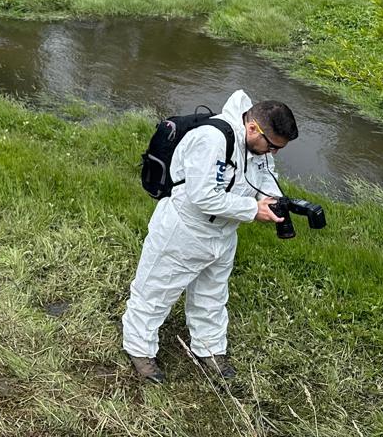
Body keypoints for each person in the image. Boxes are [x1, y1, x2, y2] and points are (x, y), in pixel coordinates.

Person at [121, 90, 297, 383]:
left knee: (213, 296)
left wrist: (272, 198)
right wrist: (253, 209)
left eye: (278, 149)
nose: (273, 153)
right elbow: (203, 196)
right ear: (253, 128)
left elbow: (265, 174)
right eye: (272, 146)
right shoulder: (212, 139)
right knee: (155, 291)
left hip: (224, 233)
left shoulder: (258, 147)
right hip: (184, 229)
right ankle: (139, 349)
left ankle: (210, 349)